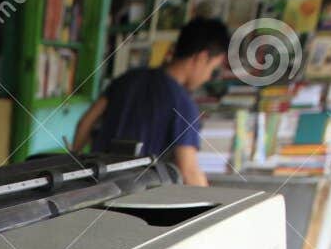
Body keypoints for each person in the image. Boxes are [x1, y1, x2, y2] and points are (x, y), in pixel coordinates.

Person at [70, 18, 231, 188]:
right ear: (201, 58)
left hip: (94, 188)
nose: (207, 77)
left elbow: (85, 123)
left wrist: (75, 168)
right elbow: (188, 171)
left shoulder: (128, 79)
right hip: (135, 197)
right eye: (212, 69)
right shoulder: (184, 105)